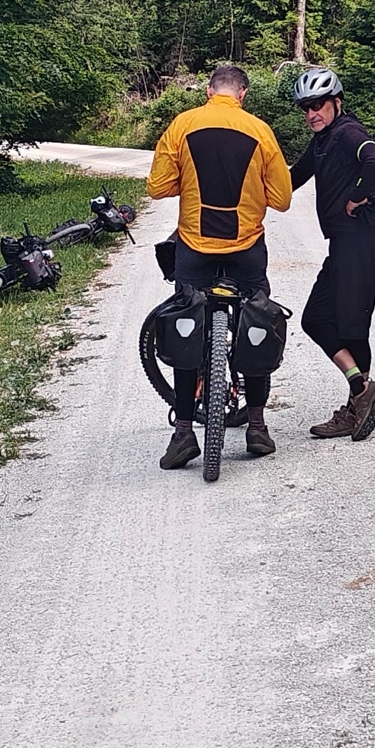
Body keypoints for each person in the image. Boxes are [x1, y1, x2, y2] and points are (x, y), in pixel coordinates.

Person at [147, 64, 293, 469]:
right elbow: (281, 200)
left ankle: (183, 433)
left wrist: (188, 182)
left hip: (195, 246)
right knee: (256, 320)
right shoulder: (260, 131)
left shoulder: (182, 124)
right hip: (246, 247)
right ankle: (257, 425)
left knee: (187, 324)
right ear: (243, 94)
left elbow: (157, 187)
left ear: (209, 90)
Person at [289, 67, 375, 441]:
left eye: (318, 105)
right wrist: (247, 190)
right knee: (316, 319)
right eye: (306, 108)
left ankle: (356, 406)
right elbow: (292, 177)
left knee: (350, 324)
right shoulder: (322, 141)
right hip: (344, 243)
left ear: (336, 102)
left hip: (363, 237)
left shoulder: (347, 132)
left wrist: (358, 194)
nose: (311, 113)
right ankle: (362, 390)